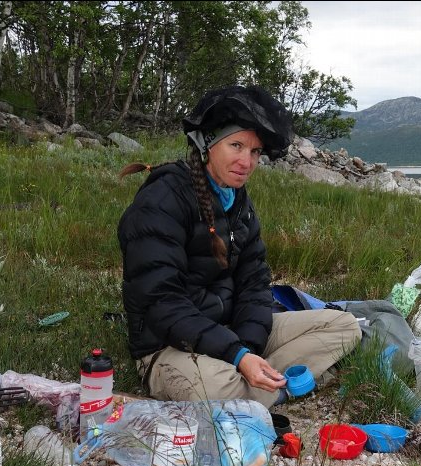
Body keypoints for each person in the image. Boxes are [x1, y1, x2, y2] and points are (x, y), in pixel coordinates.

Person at [116, 85, 362, 408]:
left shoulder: (239, 204)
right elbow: (162, 303)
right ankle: (284, 384)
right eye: (236, 145)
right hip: (168, 346)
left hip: (227, 332)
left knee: (345, 327)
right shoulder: (161, 201)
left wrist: (246, 347)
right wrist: (236, 355)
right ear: (208, 145)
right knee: (218, 388)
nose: (247, 161)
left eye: (255, 151)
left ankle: (259, 383)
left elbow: (255, 283)